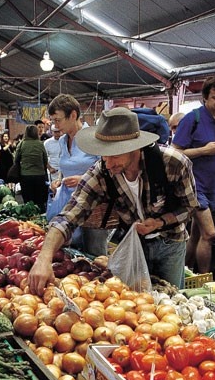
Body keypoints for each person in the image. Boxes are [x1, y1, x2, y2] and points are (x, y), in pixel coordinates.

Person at [28, 107, 197, 296]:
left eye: (114, 154)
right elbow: (69, 216)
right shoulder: (102, 172)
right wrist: (44, 257)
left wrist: (160, 222)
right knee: (136, 300)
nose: (107, 163)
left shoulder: (173, 163)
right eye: (103, 154)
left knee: (171, 302)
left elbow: (189, 207)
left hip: (171, 243)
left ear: (134, 147)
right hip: (135, 244)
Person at [172, 76, 215, 274]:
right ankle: (204, 279)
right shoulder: (192, 118)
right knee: (210, 233)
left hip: (213, 186)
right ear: (205, 98)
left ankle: (185, 273)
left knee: (197, 234)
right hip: (194, 186)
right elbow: (174, 152)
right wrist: (202, 150)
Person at [48, 94, 108, 256]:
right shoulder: (61, 141)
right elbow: (65, 168)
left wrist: (83, 179)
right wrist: (59, 181)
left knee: (94, 252)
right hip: (69, 205)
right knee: (70, 251)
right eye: (53, 120)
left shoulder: (95, 138)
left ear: (73, 115)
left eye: (58, 120)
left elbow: (109, 171)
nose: (55, 125)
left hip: (94, 206)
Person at [15, 124, 48, 210]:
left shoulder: (22, 144)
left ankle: (29, 219)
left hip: (25, 176)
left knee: (28, 202)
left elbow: (16, 159)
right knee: (40, 201)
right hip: (40, 176)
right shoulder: (40, 144)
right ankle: (42, 219)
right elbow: (45, 159)